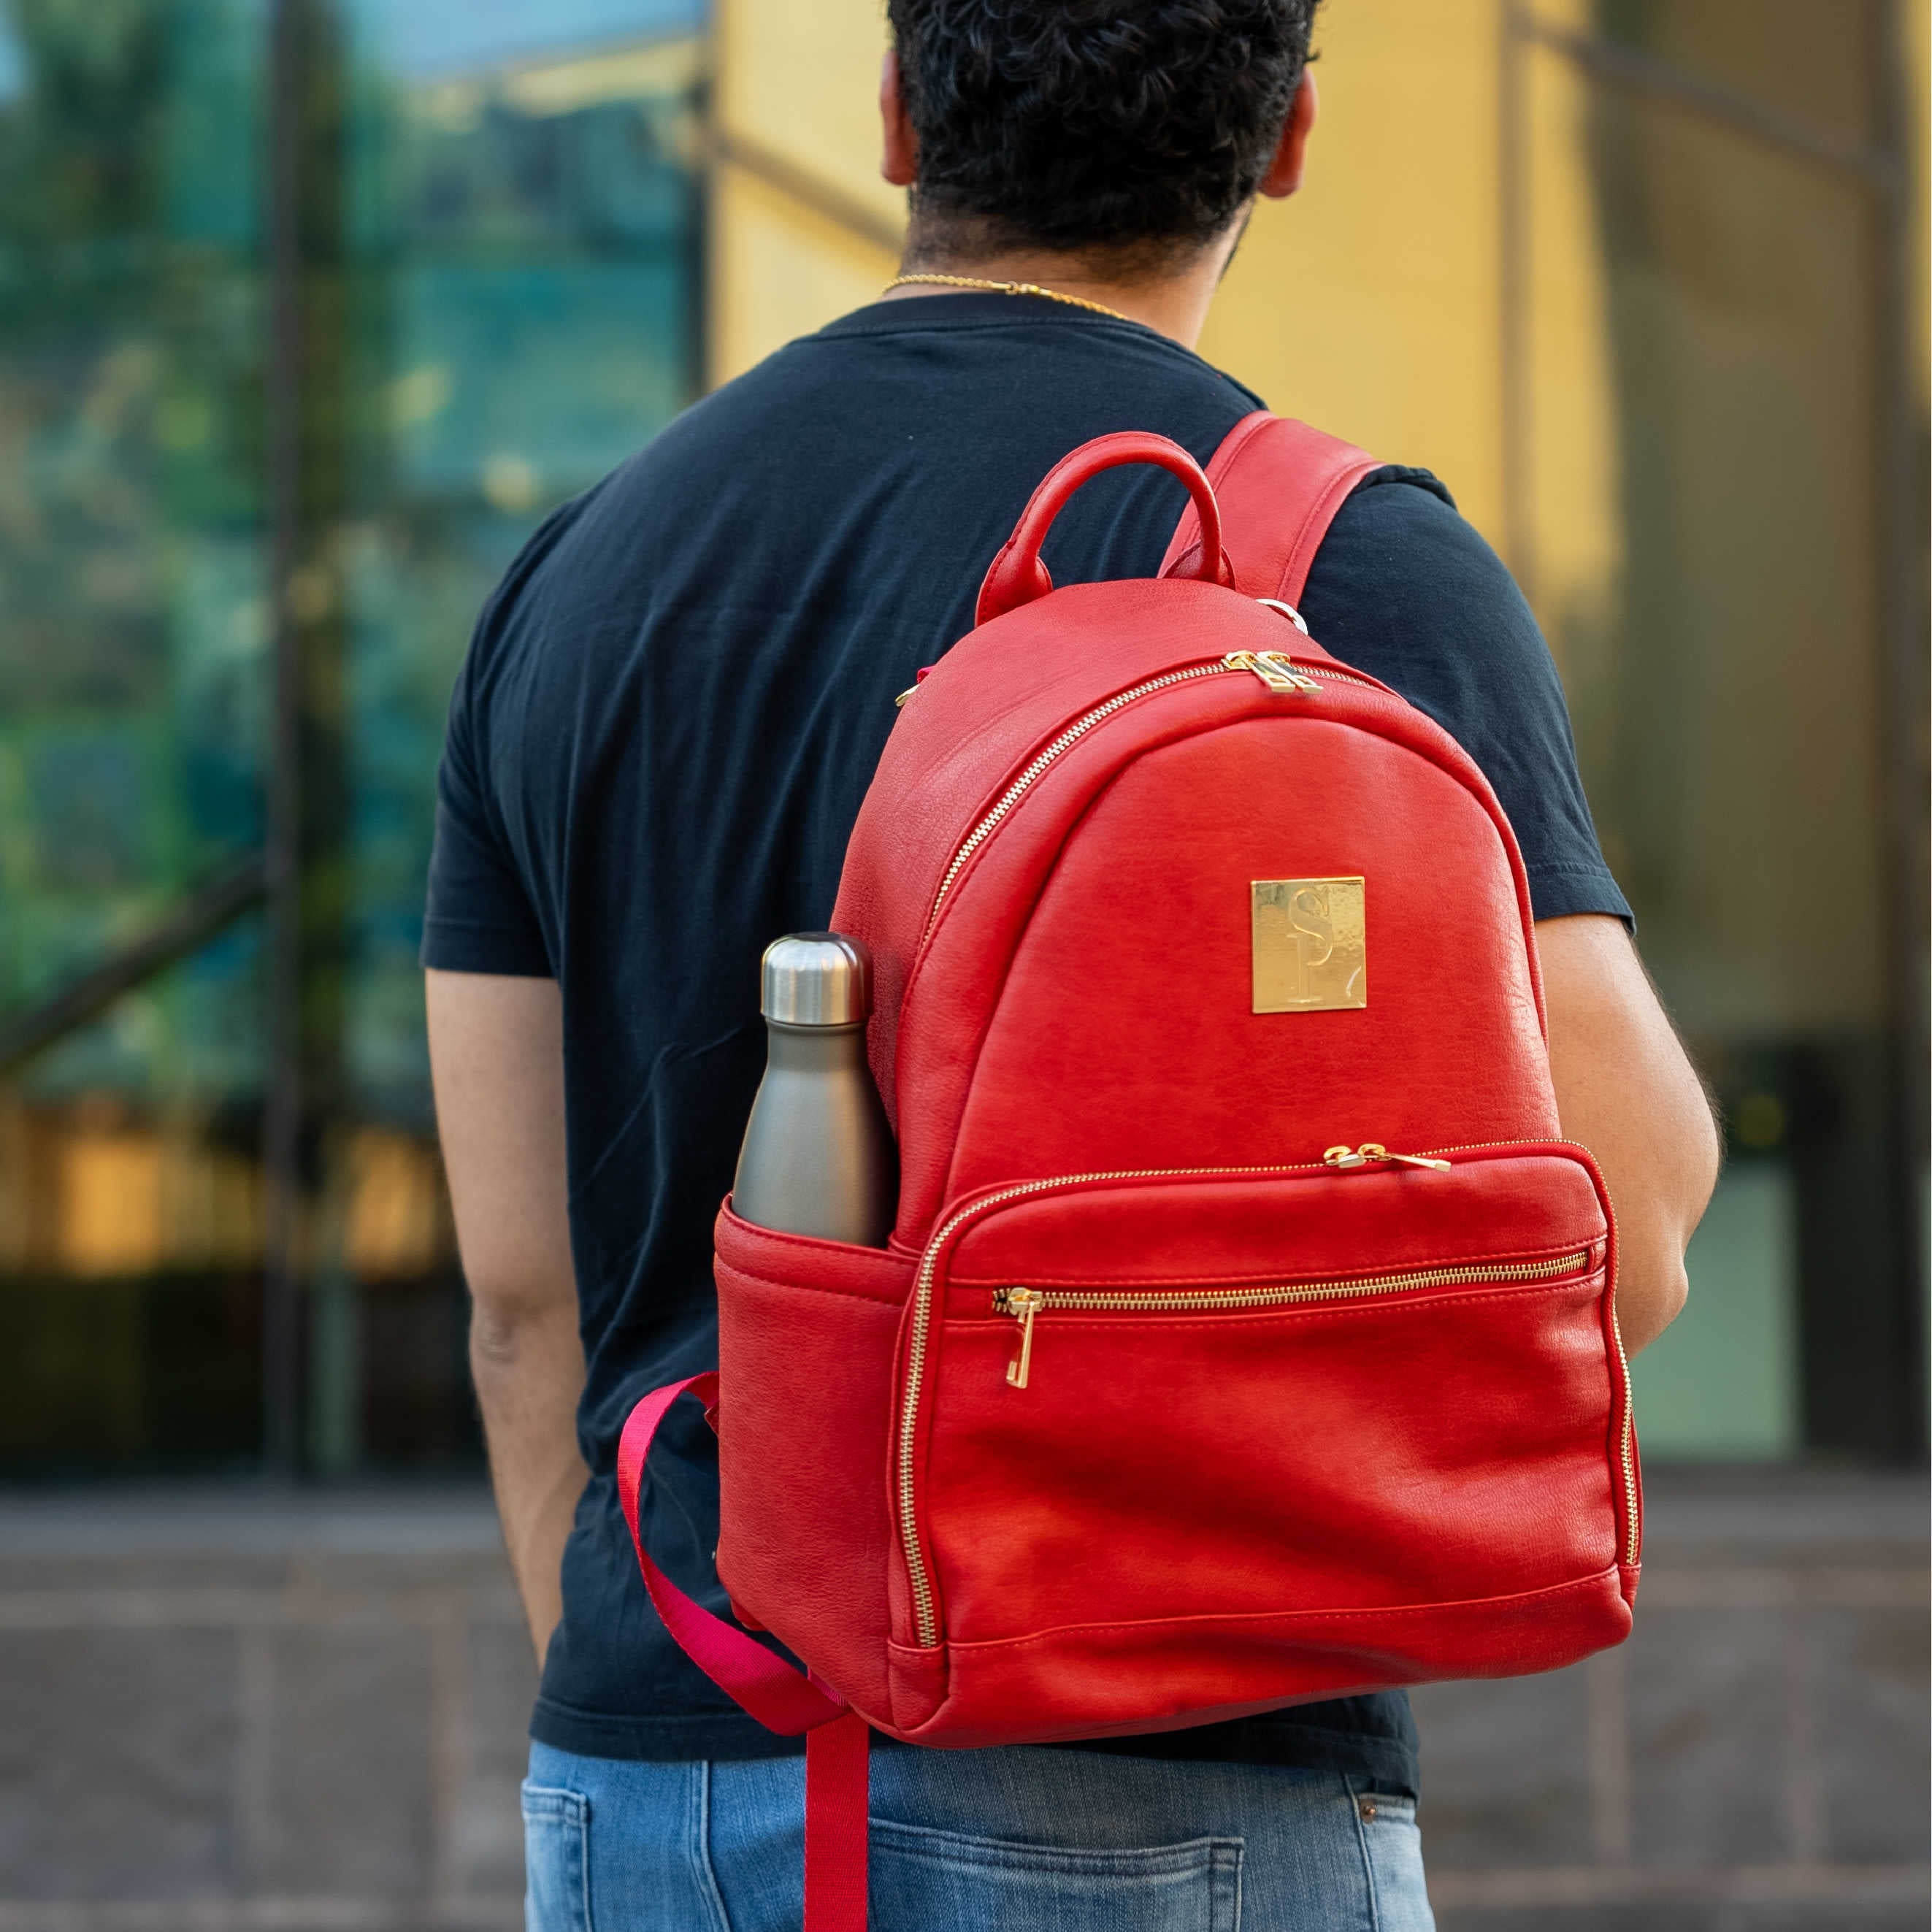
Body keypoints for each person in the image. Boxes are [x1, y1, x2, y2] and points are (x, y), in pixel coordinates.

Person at [423, 3, 1720, 1925]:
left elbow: (528, 1296)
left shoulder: (583, 571)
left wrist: (647, 1702)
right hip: (1163, 1780)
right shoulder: (1333, 575)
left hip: (650, 1765)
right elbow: (1635, 1224)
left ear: (893, 116)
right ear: (1284, 141)